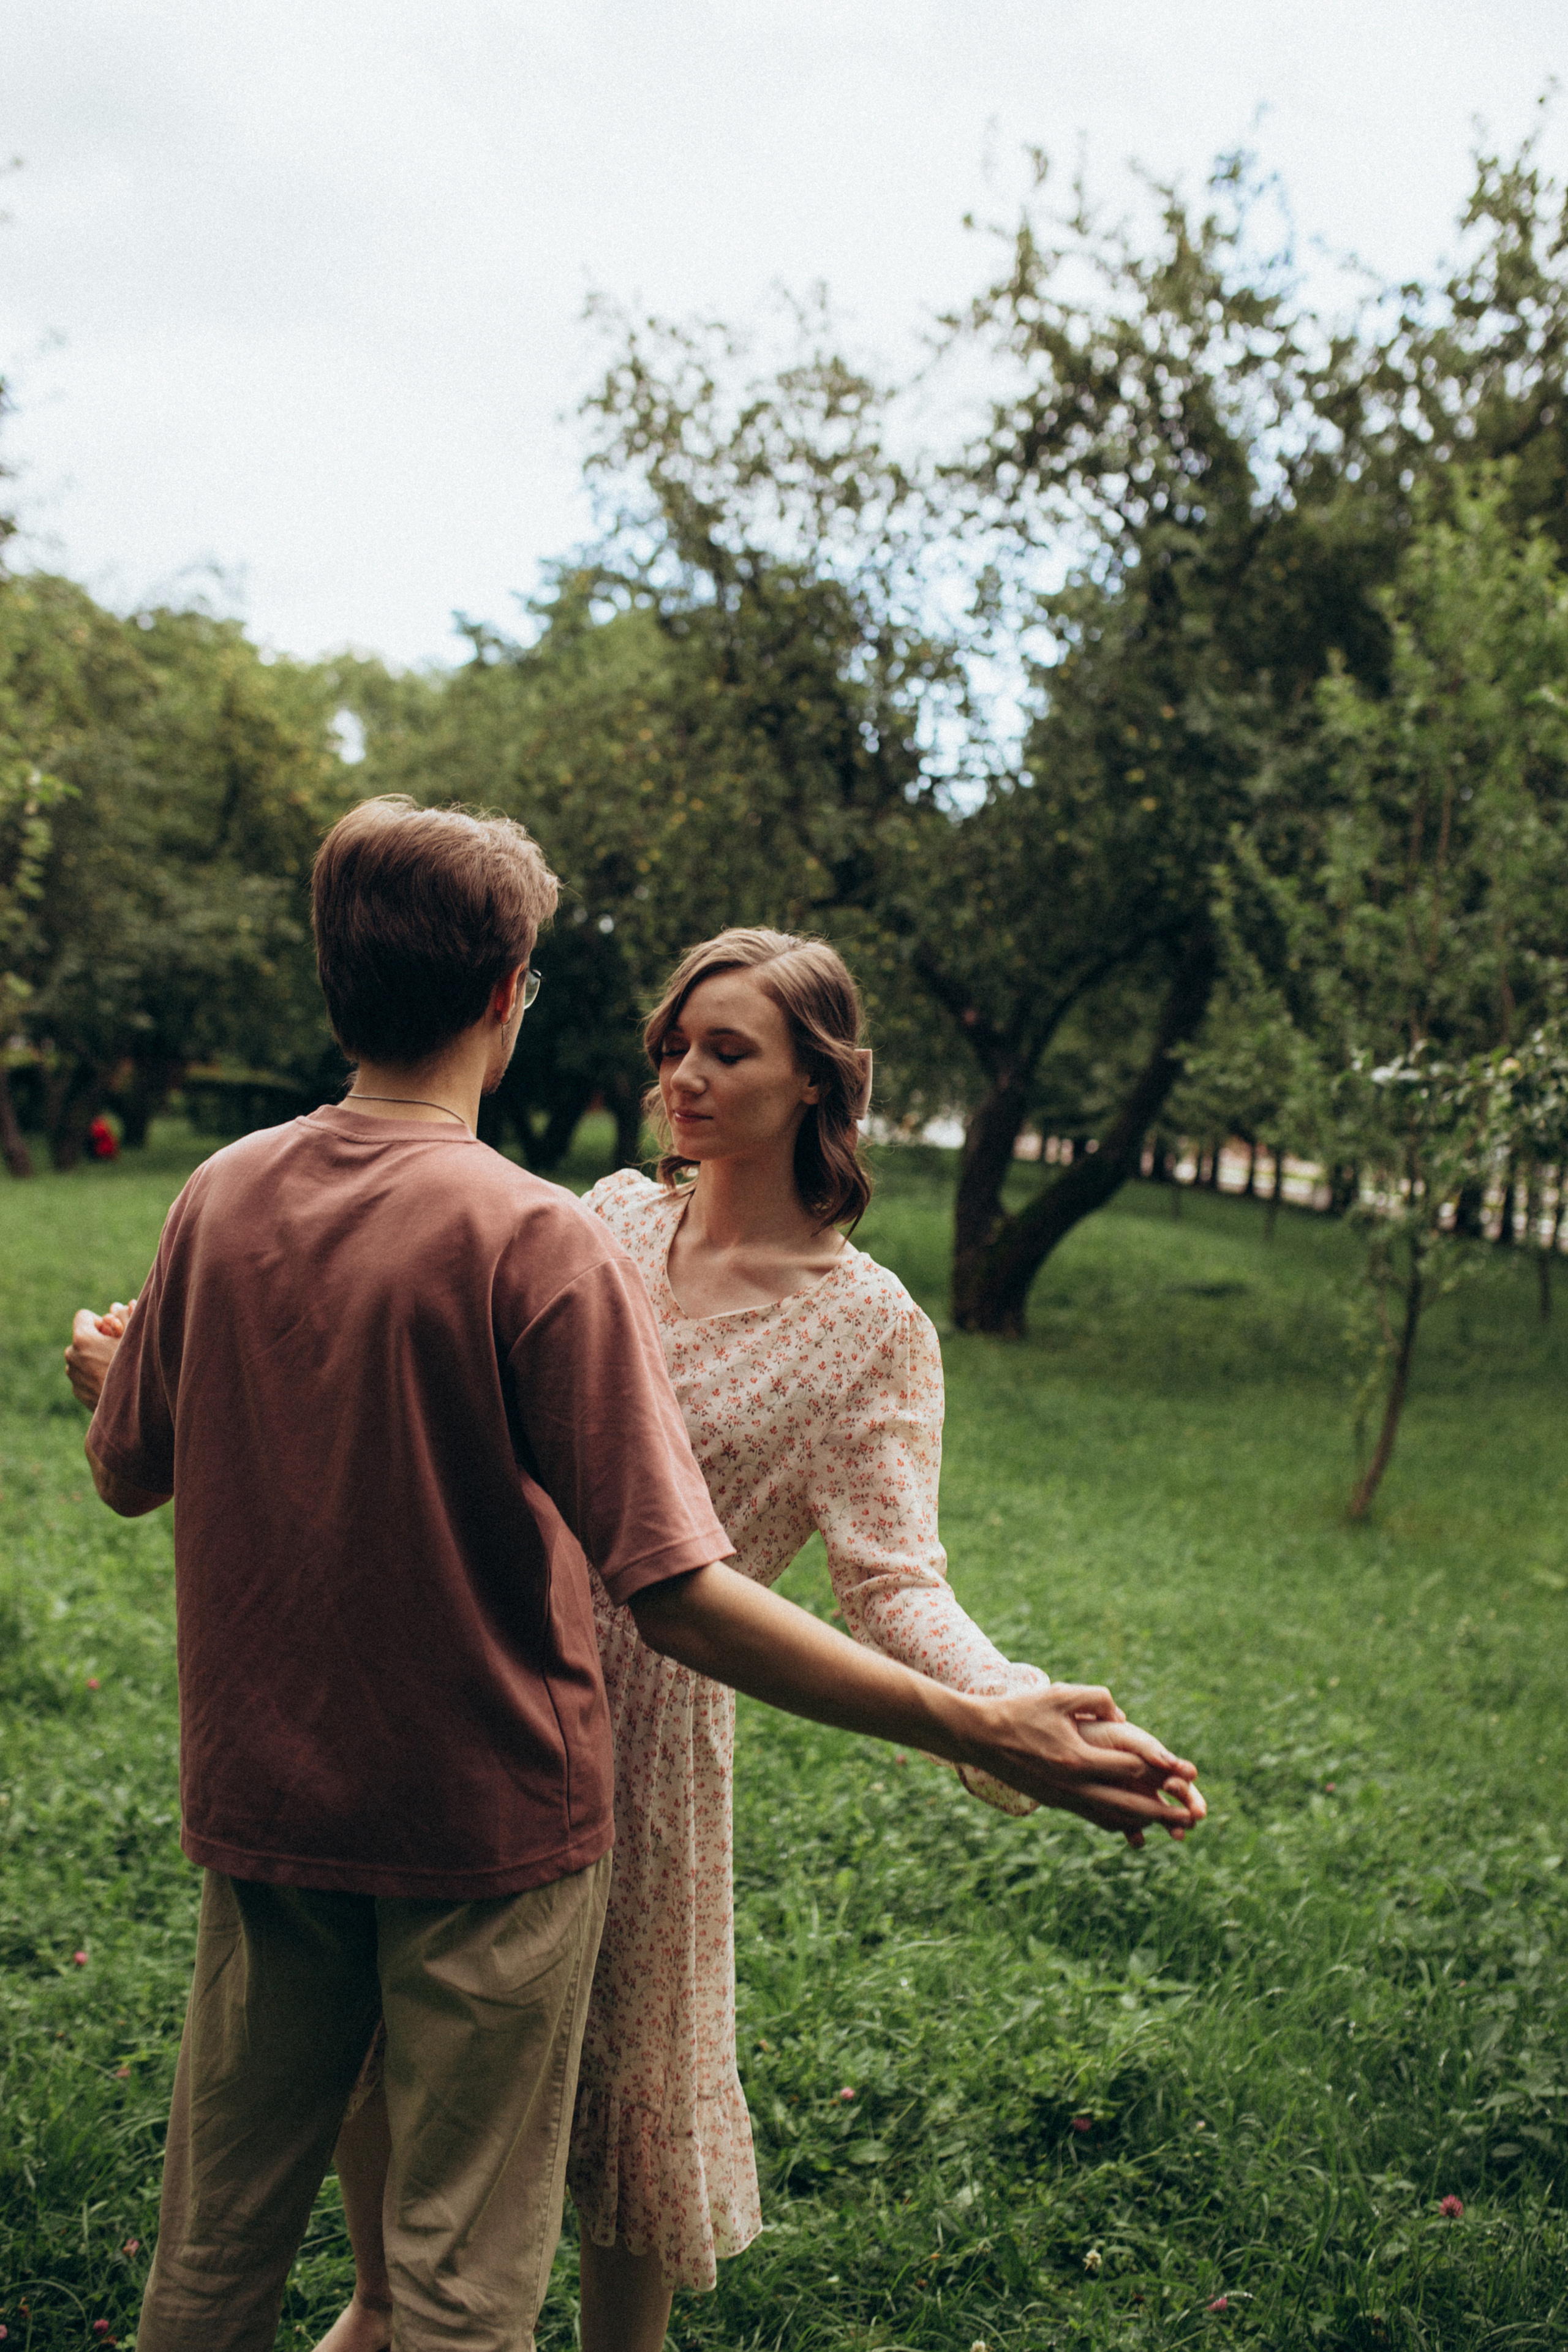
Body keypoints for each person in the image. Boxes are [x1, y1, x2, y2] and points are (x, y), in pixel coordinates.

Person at [66, 816, 1205, 2352]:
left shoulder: (861, 1326)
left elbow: (890, 1579)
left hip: (619, 1741)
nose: (684, 1075)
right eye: (674, 1043)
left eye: (725, 1050)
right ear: (509, 994)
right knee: (407, 2160)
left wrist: (989, 1705)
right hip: (461, 1710)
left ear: (820, 1078)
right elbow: (427, 1412)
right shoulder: (583, 1224)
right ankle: (387, 2313)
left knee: (598, 2144)